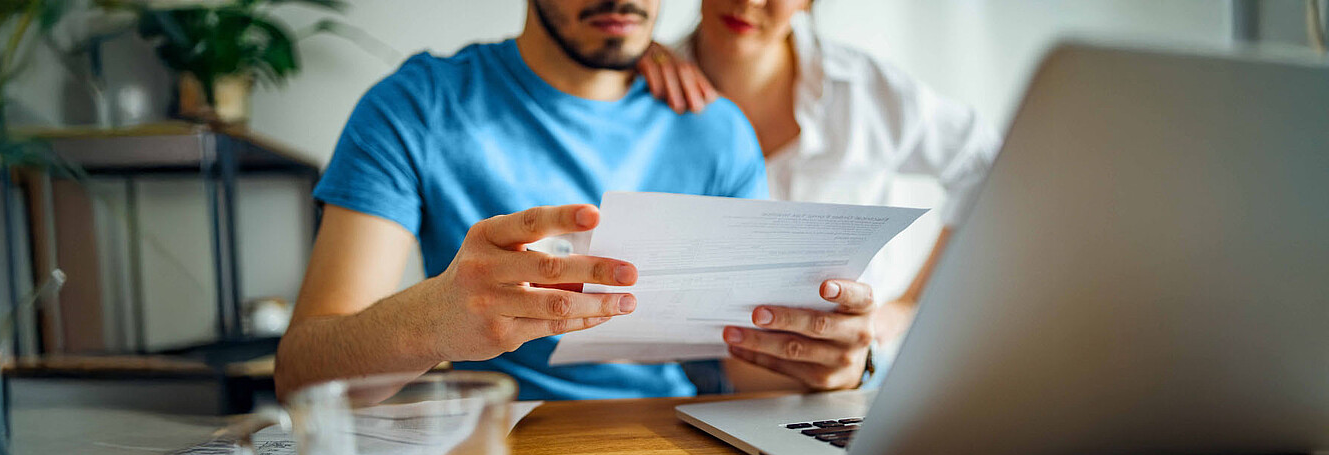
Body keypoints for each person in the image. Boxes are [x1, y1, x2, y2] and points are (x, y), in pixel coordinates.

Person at [276, 0, 880, 399]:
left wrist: (826, 364)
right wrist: (436, 319)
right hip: (505, 444)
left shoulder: (714, 129)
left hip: (677, 449)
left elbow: (749, 367)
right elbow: (302, 375)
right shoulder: (417, 106)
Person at [637, 0, 1001, 389]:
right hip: (684, 380)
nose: (748, 2)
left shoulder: (866, 93)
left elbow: (986, 165)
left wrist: (910, 306)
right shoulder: (636, 82)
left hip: (847, 375)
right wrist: (634, 49)